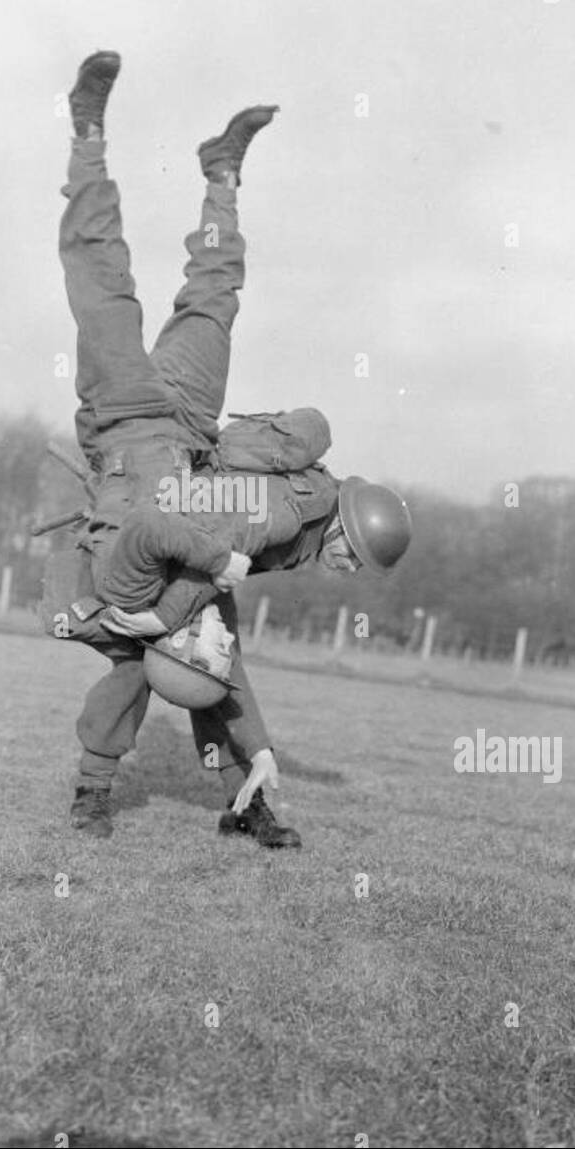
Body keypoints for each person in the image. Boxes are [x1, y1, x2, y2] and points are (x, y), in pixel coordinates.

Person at [46, 52, 411, 846]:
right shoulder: (285, 513)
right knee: (106, 283)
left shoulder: (303, 524)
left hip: (180, 431)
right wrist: (159, 612)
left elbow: (215, 609)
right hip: (135, 431)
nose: (348, 573)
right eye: (355, 559)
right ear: (345, 531)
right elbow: (196, 532)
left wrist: (258, 746)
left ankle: (220, 173)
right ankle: (88, 135)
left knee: (212, 297)